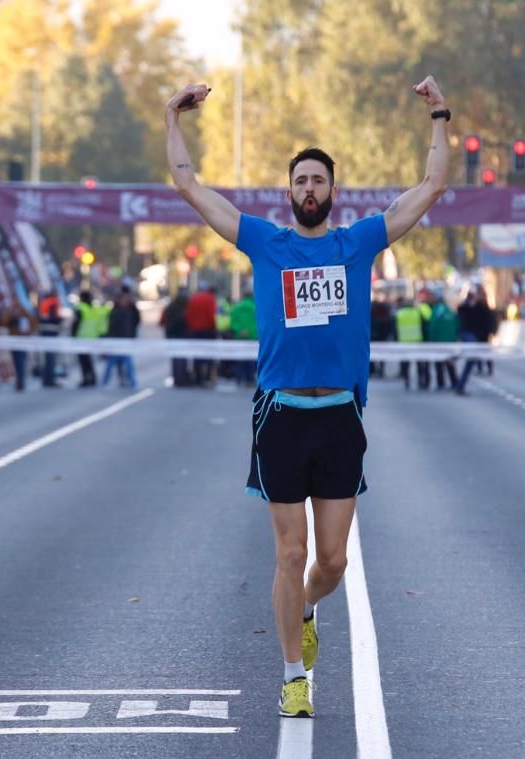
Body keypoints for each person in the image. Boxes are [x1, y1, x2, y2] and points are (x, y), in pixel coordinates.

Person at [166, 75, 450, 717]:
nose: (310, 189)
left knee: (331, 560)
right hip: (281, 414)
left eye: (319, 181)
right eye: (300, 182)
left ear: (332, 193)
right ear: (289, 193)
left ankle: (311, 609)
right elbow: (190, 185)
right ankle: (294, 674)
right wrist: (172, 118)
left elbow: (431, 188)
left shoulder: (358, 244)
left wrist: (439, 114)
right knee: (289, 552)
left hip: (340, 417)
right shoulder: (266, 242)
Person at [102, 287, 140, 388]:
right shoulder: (115, 312)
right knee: (112, 363)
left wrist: (132, 336)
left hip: (126, 340)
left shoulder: (130, 310)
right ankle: (105, 382)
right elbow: (111, 327)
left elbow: (135, 322)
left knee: (127, 363)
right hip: (116, 341)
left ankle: (132, 382)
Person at [72, 290, 109, 387]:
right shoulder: (94, 309)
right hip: (92, 338)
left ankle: (86, 379)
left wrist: (73, 336)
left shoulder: (81, 308)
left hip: (81, 338)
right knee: (89, 360)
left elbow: (75, 324)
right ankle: (92, 378)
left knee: (84, 361)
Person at [1, 302, 36, 391]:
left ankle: (21, 381)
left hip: (23, 342)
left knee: (21, 361)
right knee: (16, 362)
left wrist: (29, 333)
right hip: (14, 342)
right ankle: (19, 381)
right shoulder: (10, 316)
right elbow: (4, 322)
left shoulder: (26, 315)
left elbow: (33, 323)